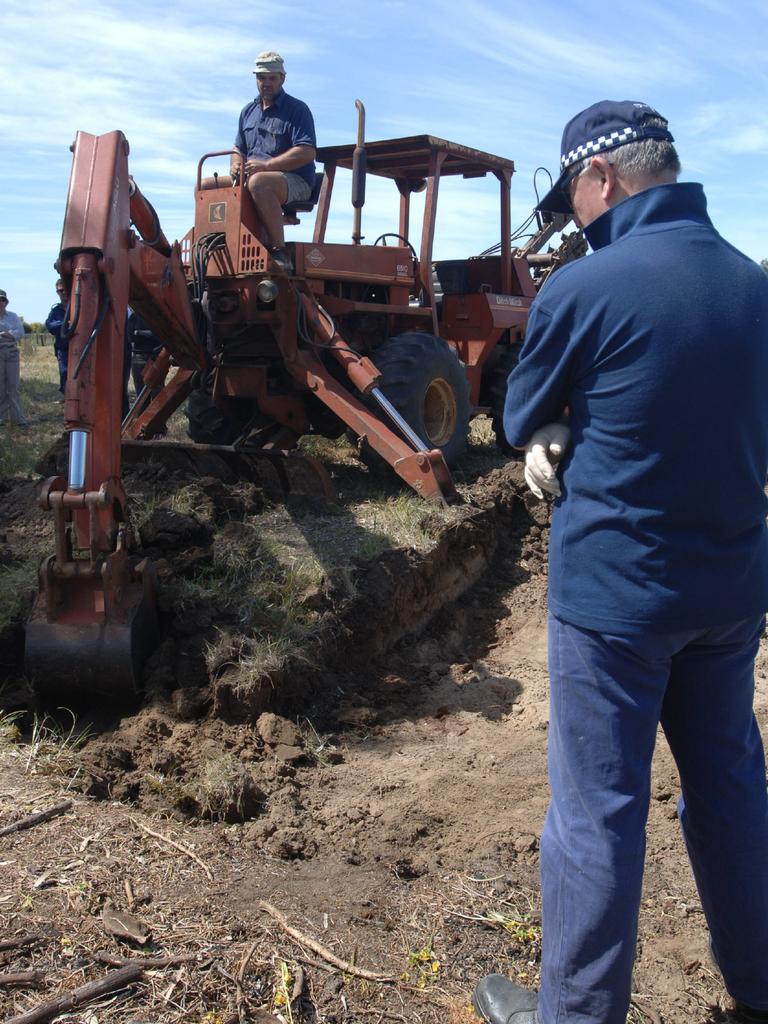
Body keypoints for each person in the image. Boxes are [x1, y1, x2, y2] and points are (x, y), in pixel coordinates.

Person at [472, 101, 768, 1024]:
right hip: (729, 596)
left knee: (598, 812)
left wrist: (559, 423)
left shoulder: (584, 288)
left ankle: (575, 1014)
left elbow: (519, 415)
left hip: (616, 607)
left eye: (575, 194)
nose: (577, 213)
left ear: (600, 180)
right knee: (730, 786)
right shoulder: (753, 285)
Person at [231, 50, 316, 274]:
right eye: (261, 77)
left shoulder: (298, 110)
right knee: (206, 186)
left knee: (260, 183)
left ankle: (279, 252)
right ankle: (223, 246)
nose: (266, 83)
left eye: (272, 78)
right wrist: (235, 163)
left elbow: (306, 152)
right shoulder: (248, 112)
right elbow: (238, 147)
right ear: (255, 78)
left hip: (295, 181)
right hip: (254, 176)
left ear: (282, 79)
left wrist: (267, 166)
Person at [0, 288, 29, 428]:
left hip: (11, 352)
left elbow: (20, 332)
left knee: (13, 386)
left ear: (6, 302)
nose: (0, 302)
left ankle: (18, 419)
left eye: (2, 300)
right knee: (0, 386)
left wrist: (6, 334)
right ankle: (1, 418)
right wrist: (9, 333)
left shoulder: (13, 316)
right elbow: (14, 332)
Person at [126, 309, 163, 398]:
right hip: (144, 357)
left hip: (153, 357)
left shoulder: (136, 316)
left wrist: (140, 333)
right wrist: (150, 334)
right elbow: (131, 337)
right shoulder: (135, 316)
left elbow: (132, 337)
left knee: (155, 392)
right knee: (144, 394)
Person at [45, 279, 68, 395]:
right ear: (57, 292)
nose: (63, 293)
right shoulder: (55, 311)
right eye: (60, 290)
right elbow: (50, 326)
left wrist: (62, 325)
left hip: (83, 350)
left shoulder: (80, 307)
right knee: (65, 374)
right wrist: (67, 324)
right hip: (63, 350)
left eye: (65, 289)